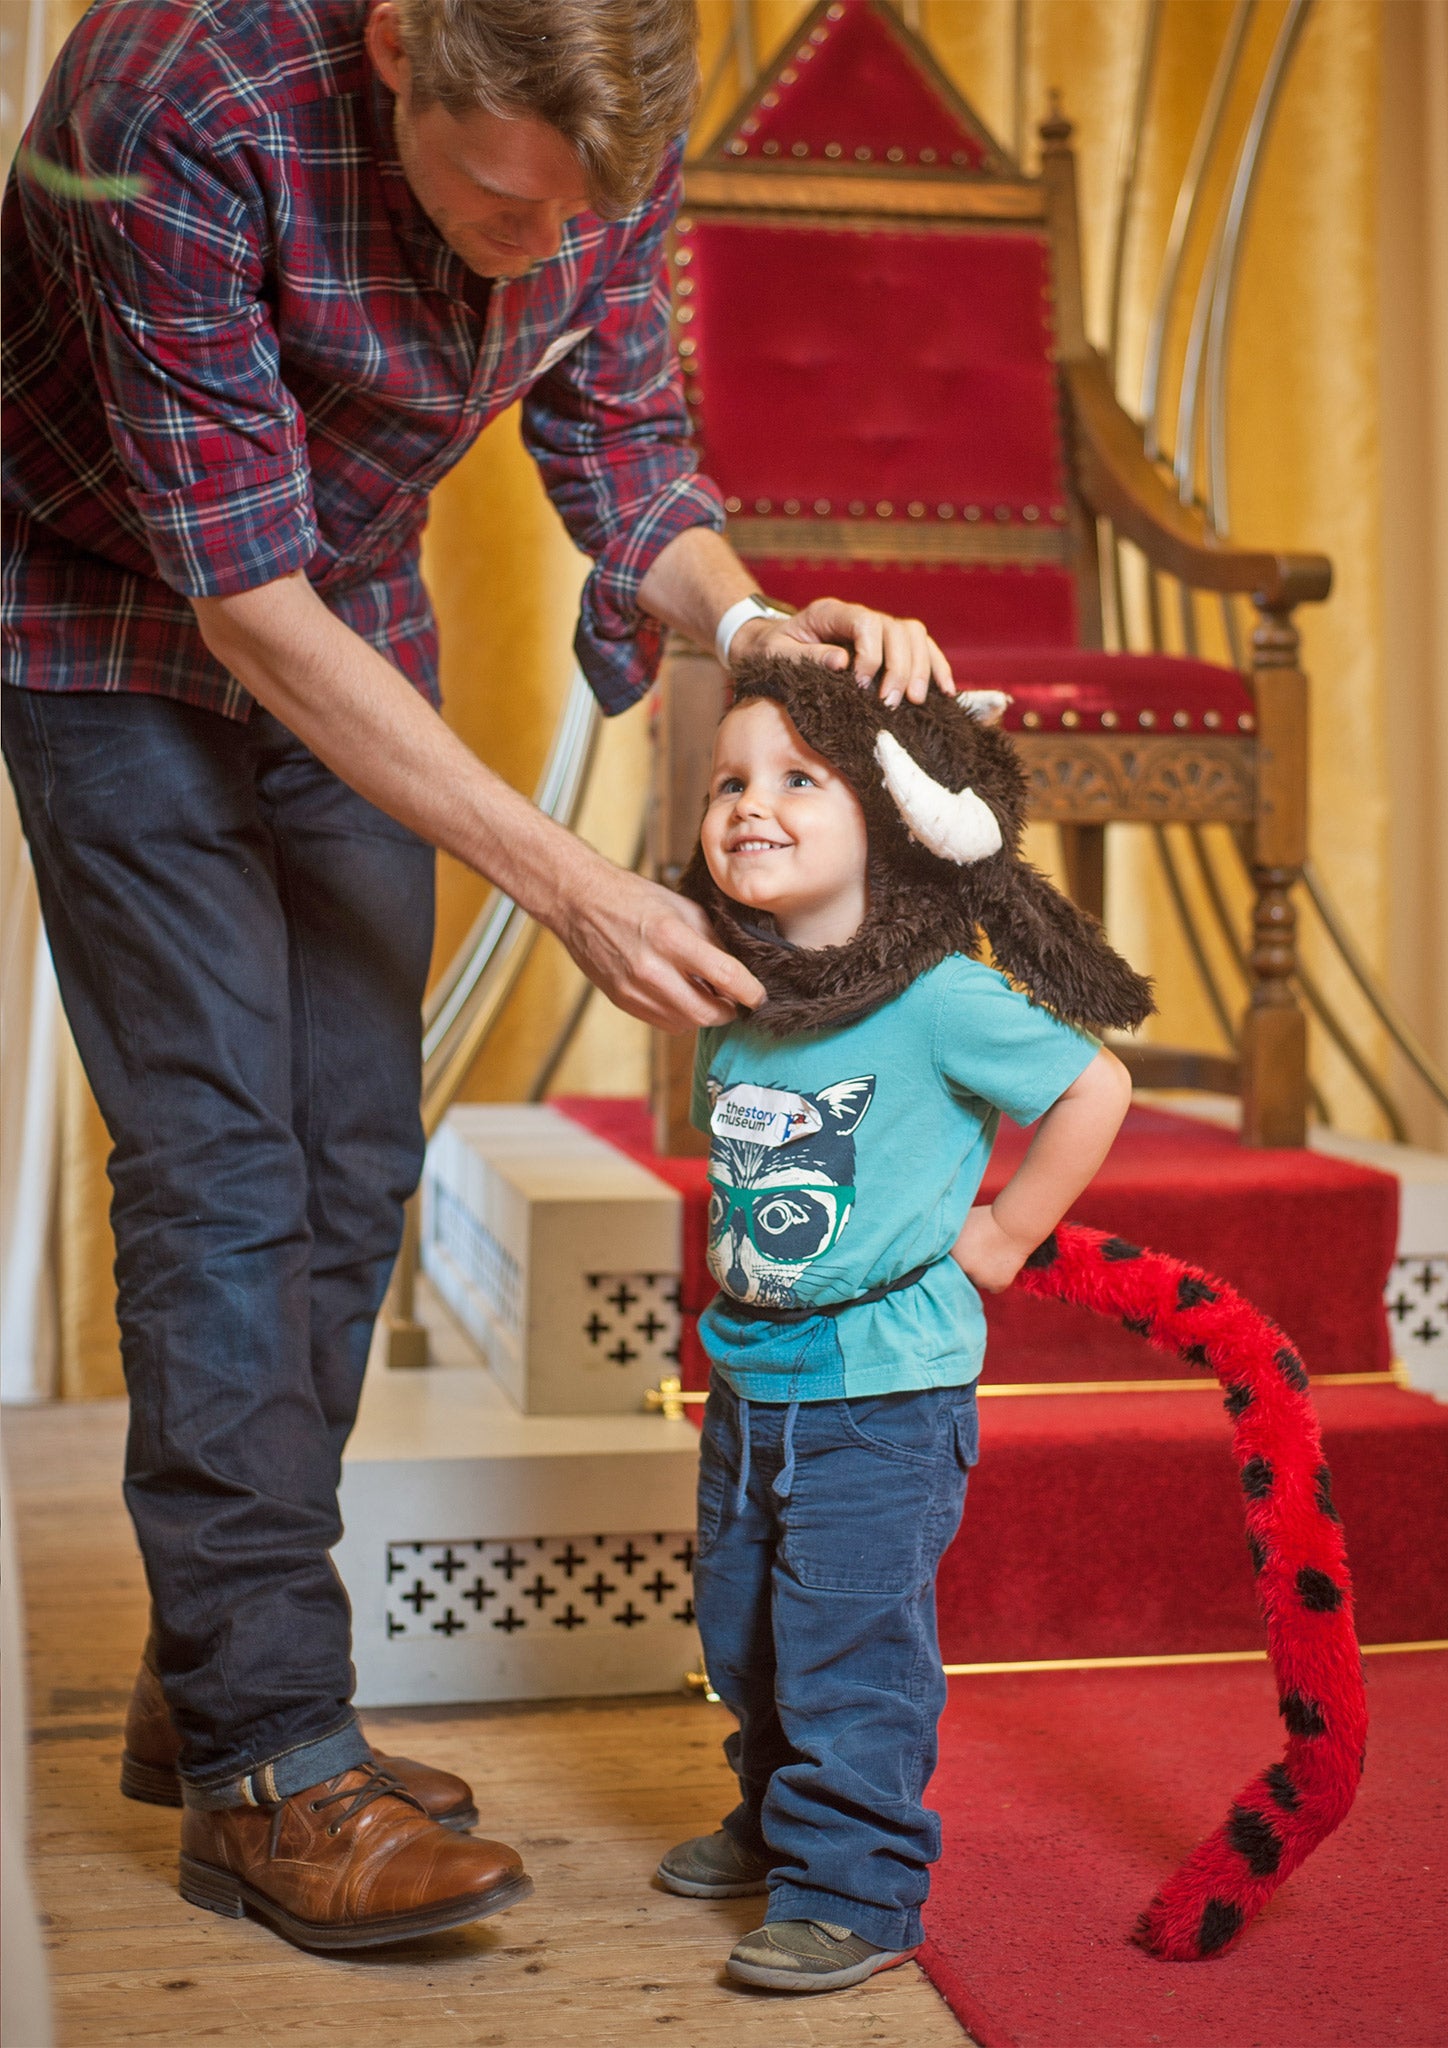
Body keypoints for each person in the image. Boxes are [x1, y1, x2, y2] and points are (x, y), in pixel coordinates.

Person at [0, 0, 954, 1955]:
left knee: (352, 1163)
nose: (530, 254)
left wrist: (755, 624)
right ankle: (275, 1754)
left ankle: (219, 1671)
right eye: (495, 206)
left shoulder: (609, 111)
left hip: (340, 588)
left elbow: (628, 446)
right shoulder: (174, 91)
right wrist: (566, 883)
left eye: (572, 220)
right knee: (224, 1162)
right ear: (394, 43)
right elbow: (232, 588)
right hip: (99, 599)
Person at [654, 656, 1153, 1993]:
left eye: (798, 780)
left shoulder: (937, 994)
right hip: (752, 1377)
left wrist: (1000, 1234)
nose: (751, 805)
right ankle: (774, 1819)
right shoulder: (744, 1003)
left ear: (895, 816)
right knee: (744, 1624)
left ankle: (857, 1887)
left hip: (882, 1392)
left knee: (849, 1642)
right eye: (730, 783)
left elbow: (1092, 1084)